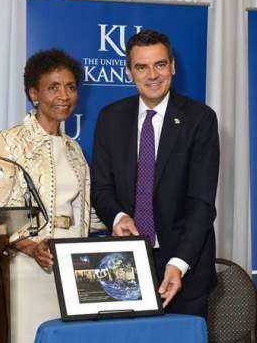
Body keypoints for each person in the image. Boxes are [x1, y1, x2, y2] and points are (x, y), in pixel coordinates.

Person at [91, 30, 220, 317]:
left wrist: (179, 263)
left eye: (160, 64)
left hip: (185, 266)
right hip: (125, 263)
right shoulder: (110, 118)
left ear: (172, 66)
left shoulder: (200, 119)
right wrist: (118, 217)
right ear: (129, 72)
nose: (152, 75)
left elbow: (201, 203)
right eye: (141, 67)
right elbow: (100, 188)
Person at [0, 49, 105, 342]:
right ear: (34, 93)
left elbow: (86, 216)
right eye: (54, 87)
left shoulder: (74, 151)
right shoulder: (9, 141)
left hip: (74, 269)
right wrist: (31, 247)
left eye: (71, 87)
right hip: (28, 270)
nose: (65, 95)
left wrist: (124, 220)